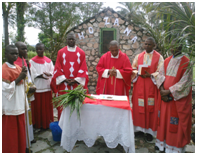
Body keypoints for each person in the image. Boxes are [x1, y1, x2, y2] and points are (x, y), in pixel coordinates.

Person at [155, 39, 192, 153]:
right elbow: (160, 75)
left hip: (176, 100)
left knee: (174, 122)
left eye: (176, 46)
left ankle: (174, 148)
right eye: (171, 46)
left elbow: (185, 83)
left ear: (181, 46)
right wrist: (162, 90)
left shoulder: (187, 62)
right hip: (165, 99)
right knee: (164, 121)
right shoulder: (166, 60)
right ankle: (163, 145)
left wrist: (169, 91)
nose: (173, 48)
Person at [131, 37, 164, 142]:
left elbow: (161, 71)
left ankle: (150, 132)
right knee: (139, 106)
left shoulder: (159, 57)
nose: (147, 46)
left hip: (151, 86)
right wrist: (138, 73)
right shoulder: (138, 56)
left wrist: (151, 75)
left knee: (151, 107)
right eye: (145, 44)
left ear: (154, 45)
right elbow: (133, 69)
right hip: (140, 84)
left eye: (149, 44)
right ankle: (139, 129)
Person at [51, 32, 89, 120]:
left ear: (75, 40)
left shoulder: (81, 53)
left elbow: (83, 68)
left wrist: (76, 80)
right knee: (64, 108)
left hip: (76, 86)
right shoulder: (61, 52)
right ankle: (63, 129)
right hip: (64, 86)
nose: (71, 41)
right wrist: (64, 79)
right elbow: (57, 68)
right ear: (66, 40)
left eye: (73, 39)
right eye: (69, 39)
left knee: (76, 109)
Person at [2, 45, 28, 153]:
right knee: (11, 132)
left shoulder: (18, 68)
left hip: (19, 104)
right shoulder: (3, 69)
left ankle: (21, 149)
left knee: (20, 131)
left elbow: (22, 86)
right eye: (12, 53)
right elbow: (4, 89)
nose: (15, 56)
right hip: (10, 107)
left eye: (16, 53)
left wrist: (25, 81)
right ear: (5, 54)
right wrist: (19, 78)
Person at [14, 41, 36, 152]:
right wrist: (28, 88)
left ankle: (30, 138)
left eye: (26, 49)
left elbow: (29, 77)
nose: (26, 51)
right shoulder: (14, 63)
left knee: (29, 117)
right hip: (21, 96)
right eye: (23, 49)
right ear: (17, 50)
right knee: (24, 119)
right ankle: (24, 143)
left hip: (28, 93)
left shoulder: (24, 61)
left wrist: (32, 85)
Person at [30, 43, 54, 129]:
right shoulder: (32, 61)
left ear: (44, 49)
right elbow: (32, 73)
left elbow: (53, 71)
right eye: (37, 49)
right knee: (38, 107)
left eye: (40, 49)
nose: (38, 51)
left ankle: (47, 123)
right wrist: (39, 75)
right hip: (38, 87)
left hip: (47, 87)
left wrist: (49, 73)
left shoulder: (49, 61)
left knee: (46, 107)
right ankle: (38, 123)